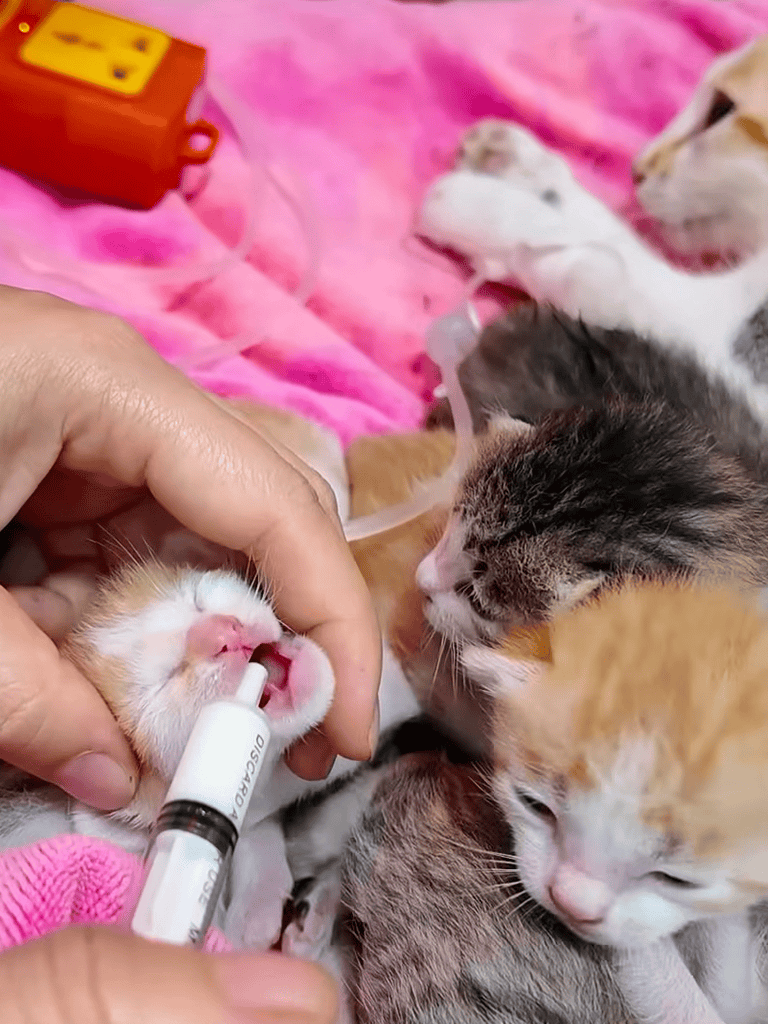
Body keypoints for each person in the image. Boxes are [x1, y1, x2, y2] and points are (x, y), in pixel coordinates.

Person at [0, 284, 382, 1024]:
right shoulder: (98, 830)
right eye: (158, 691)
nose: (220, 634)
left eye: (205, 595)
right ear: (121, 798)